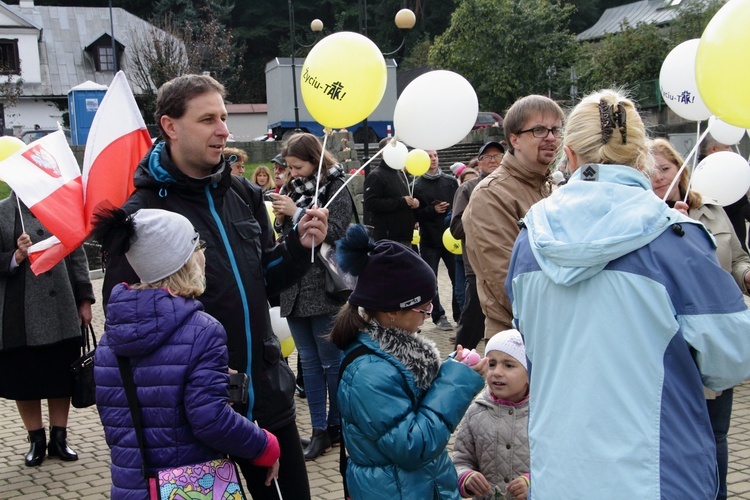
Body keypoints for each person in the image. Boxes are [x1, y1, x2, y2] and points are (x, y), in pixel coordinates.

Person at [506, 89, 750, 498]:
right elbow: (732, 358)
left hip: (560, 472)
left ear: (569, 155)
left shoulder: (530, 241)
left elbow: (532, 340)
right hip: (658, 472)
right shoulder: (677, 239)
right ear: (642, 158)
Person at [100, 74, 329, 500]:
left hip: (265, 398)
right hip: (192, 423)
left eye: (223, 117)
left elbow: (267, 279)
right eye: (208, 119)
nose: (223, 130)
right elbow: (125, 322)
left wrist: (299, 248)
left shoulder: (242, 194)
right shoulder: (141, 215)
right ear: (170, 126)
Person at [93, 208, 280, 499]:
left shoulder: (110, 338)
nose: (203, 253)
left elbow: (118, 415)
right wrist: (265, 446)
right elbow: (210, 419)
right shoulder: (202, 331)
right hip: (191, 485)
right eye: (198, 246)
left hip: (133, 485)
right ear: (185, 261)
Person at [330, 225, 487, 499]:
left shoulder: (394, 354)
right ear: (392, 311)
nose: (428, 316)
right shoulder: (370, 373)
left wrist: (450, 369)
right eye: (423, 309)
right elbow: (413, 446)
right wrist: (455, 383)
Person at [650, 137, 750, 500]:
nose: (658, 176)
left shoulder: (711, 209)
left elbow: (737, 257)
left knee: (717, 432)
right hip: (670, 344)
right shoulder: (643, 219)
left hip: (715, 336)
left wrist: (746, 275)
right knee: (679, 433)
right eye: (649, 170)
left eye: (664, 168)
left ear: (681, 169)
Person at [270, 132, 351, 460]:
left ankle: (336, 426)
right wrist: (282, 219)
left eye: (298, 166)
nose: (294, 172)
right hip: (294, 287)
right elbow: (284, 237)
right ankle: (320, 429)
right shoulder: (290, 188)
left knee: (330, 362)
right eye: (289, 167)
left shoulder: (336, 186)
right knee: (309, 361)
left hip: (324, 286)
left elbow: (338, 230)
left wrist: (298, 212)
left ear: (315, 160)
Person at [0, 193, 94, 467]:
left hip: (62, 310)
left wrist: (85, 299)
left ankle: (59, 438)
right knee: (24, 379)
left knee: (60, 375)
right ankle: (36, 440)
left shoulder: (59, 208)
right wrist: (16, 256)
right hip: (18, 316)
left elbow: (76, 254)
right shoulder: (3, 212)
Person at [463, 95, 563, 339]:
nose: (551, 137)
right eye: (539, 130)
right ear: (514, 139)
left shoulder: (551, 188)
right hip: (518, 335)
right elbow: (507, 282)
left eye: (555, 130)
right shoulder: (491, 194)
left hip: (557, 330)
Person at [453, 329, 530, 500]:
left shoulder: (542, 414)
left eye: (509, 365)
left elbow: (561, 463)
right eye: (492, 364)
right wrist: (466, 477)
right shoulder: (476, 411)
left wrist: (533, 483)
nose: (497, 372)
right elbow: (460, 460)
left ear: (529, 373)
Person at [451, 142, 504, 350]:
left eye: (497, 156)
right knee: (472, 321)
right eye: (487, 157)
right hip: (478, 267)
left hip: (508, 264)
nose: (493, 160)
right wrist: (487, 219)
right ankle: (459, 363)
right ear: (479, 163)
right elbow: (456, 228)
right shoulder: (468, 189)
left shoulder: (512, 187)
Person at [413, 149, 460, 330]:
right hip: (429, 240)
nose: (433, 159)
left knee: (457, 279)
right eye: (429, 156)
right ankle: (438, 315)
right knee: (431, 281)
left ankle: (460, 314)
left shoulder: (449, 181)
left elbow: (458, 207)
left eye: (435, 155)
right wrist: (433, 210)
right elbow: (415, 215)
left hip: (451, 239)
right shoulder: (416, 185)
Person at [363, 138, 420, 246]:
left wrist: (413, 203)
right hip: (388, 237)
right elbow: (370, 204)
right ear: (382, 152)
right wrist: (401, 202)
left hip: (404, 235)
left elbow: (404, 200)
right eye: (391, 148)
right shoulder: (376, 175)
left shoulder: (400, 174)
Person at [698, 134, 750, 252]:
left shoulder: (705, 173)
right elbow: (736, 207)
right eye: (727, 147)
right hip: (726, 250)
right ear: (713, 149)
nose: (731, 150)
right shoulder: (713, 177)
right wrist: (742, 192)